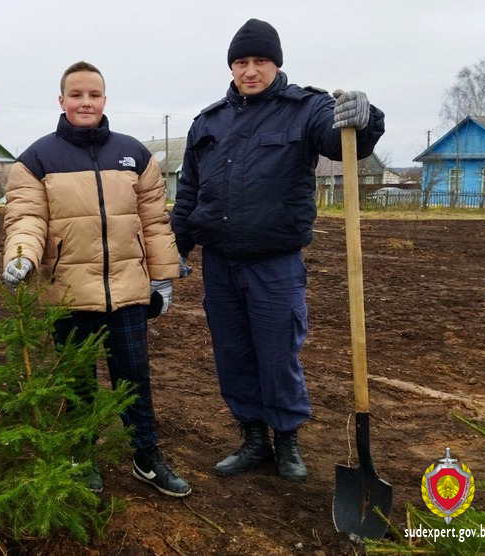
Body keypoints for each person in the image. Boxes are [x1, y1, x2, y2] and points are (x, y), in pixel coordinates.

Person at [170, 19, 385, 483]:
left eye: (260, 61)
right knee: (233, 353)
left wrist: (366, 118)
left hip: (274, 263)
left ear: (276, 64)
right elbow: (188, 195)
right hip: (220, 264)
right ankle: (252, 438)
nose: (250, 70)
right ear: (231, 67)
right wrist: (173, 252)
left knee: (277, 353)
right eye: (241, 62)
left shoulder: (306, 109)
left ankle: (286, 439)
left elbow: (343, 140)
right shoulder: (207, 122)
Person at [2, 61, 190, 498]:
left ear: (105, 99)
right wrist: (22, 255)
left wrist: (162, 278)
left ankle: (146, 455)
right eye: (76, 95)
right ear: (61, 100)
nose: (85, 102)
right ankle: (81, 455)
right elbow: (27, 218)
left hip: (127, 291)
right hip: (68, 292)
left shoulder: (134, 155)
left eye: (94, 94)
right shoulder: (35, 160)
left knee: (134, 379)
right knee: (77, 381)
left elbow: (154, 221)